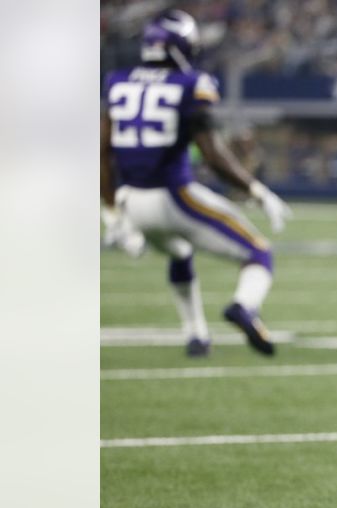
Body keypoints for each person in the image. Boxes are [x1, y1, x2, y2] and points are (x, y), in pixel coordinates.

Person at [101, 8, 291, 357]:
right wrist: (257, 190)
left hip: (132, 201)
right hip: (175, 196)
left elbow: (102, 153)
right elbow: (214, 155)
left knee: (180, 251)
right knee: (259, 253)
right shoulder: (191, 84)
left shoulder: (117, 80)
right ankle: (244, 306)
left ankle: (196, 335)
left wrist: (112, 213)